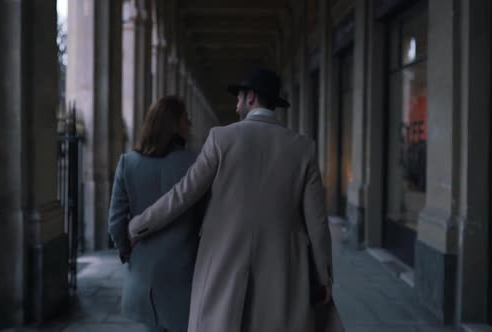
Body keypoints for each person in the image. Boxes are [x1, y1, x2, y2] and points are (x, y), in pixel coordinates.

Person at [128, 69, 343, 332]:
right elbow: (317, 223)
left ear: (251, 97)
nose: (236, 103)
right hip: (283, 268)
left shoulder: (221, 138)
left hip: (222, 262)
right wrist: (324, 276)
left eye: (239, 97)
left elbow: (182, 195)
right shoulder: (303, 148)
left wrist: (138, 225)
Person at [108, 96, 205, 332]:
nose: (190, 123)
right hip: (185, 275)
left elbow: (115, 223)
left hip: (144, 276)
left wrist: (128, 253)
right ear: (174, 125)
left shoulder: (127, 163)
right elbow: (206, 221)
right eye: (185, 118)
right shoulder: (197, 164)